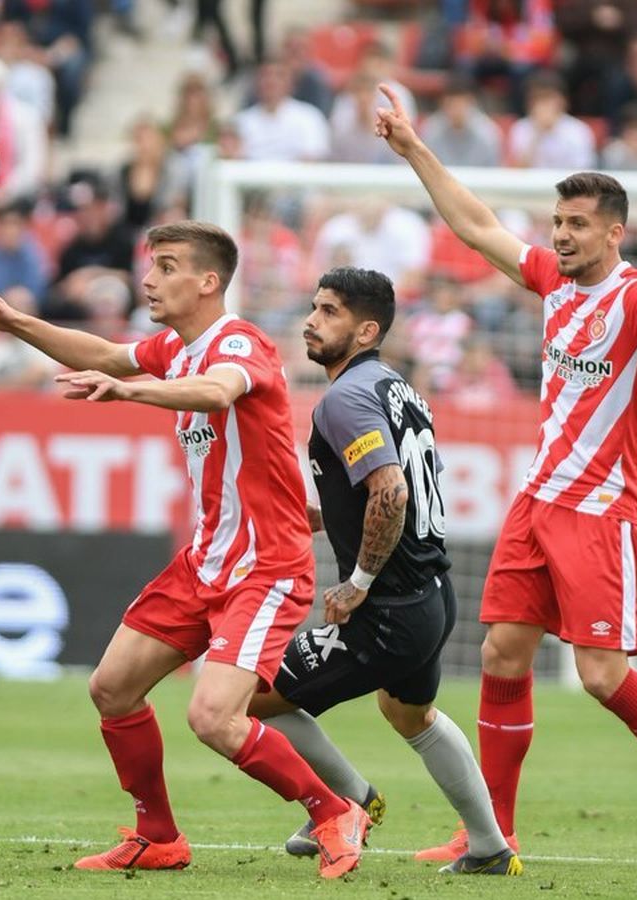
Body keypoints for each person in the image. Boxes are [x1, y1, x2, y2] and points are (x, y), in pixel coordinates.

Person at [371, 83, 637, 870]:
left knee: (604, 675)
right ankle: (492, 833)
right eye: (557, 223)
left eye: (578, 225)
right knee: (504, 655)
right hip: (537, 501)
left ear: (615, 232)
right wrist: (413, 148)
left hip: (600, 509)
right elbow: (475, 225)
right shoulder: (550, 280)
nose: (563, 236)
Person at [0, 221, 373, 879]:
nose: (148, 278)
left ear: (207, 282)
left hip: (265, 568)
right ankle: (159, 837)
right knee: (112, 688)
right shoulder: (175, 350)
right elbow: (101, 353)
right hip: (205, 563)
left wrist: (131, 392)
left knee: (213, 718)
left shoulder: (239, 343)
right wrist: (13, 322)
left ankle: (335, 810)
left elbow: (217, 391)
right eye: (151, 265)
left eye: (167, 266)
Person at [245, 267, 521, 877]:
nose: (312, 321)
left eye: (331, 312)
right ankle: (489, 847)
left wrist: (357, 583)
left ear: (367, 330)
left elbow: (390, 492)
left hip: (387, 607)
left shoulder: (343, 398)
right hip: (431, 594)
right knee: (408, 714)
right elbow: (387, 491)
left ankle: (348, 803)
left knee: (241, 695)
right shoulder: (394, 386)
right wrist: (323, 518)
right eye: (313, 307)